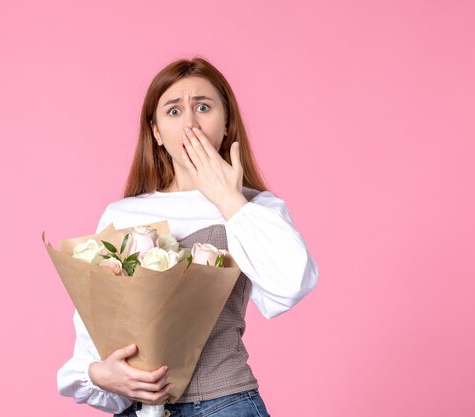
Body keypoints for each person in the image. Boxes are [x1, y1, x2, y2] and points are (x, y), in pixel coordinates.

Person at [57, 56, 319, 416]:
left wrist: (229, 199)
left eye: (203, 107)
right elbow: (92, 337)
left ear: (226, 124)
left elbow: (290, 284)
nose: (191, 122)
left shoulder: (254, 207)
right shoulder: (122, 215)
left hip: (224, 405)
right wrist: (102, 374)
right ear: (155, 131)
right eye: (174, 111)